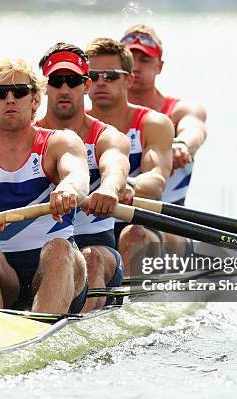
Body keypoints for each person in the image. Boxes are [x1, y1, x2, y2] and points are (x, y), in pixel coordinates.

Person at [0, 58, 90, 314]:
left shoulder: (60, 143)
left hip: (57, 267)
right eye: (0, 93)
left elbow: (77, 176)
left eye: (20, 92)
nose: (10, 98)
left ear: (34, 101)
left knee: (58, 248)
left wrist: (68, 190)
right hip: (2, 273)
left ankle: (42, 324)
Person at [36, 43, 131, 311]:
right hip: (42, 249)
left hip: (96, 245)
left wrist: (110, 189)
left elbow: (115, 166)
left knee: (90, 258)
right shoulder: (28, 137)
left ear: (86, 85)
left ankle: (73, 331)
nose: (64, 89)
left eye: (73, 81)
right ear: (44, 87)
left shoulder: (107, 136)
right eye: (56, 81)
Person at [85, 38, 173, 277]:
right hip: (88, 227)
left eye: (111, 76)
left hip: (137, 223)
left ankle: (126, 305)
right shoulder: (71, 128)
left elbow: (156, 181)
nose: (101, 82)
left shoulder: (153, 123)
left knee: (133, 234)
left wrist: (127, 185)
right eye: (93, 75)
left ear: (129, 80)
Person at [120, 24, 208, 258]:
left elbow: (194, 128)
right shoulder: (96, 119)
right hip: (110, 224)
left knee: (135, 233)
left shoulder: (180, 110)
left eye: (145, 60)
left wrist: (182, 145)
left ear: (160, 66)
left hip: (170, 226)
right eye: (130, 59)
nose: (136, 67)